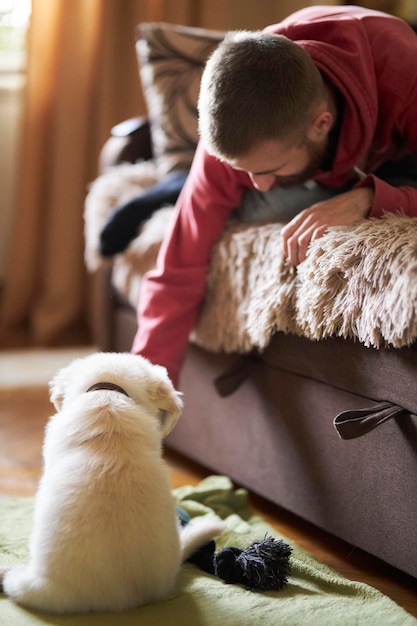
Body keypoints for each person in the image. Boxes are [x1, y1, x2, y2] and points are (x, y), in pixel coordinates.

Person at [132, 5, 417, 388]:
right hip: (334, 161)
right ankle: (172, 187)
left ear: (321, 125)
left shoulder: (404, 73)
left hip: (399, 153)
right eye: (245, 171)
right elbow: (179, 265)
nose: (258, 184)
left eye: (268, 170)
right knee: (252, 205)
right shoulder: (240, 112)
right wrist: (145, 389)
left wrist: (370, 199)